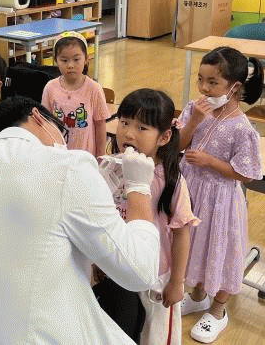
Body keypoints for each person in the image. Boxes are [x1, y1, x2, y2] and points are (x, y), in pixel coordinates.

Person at [0, 96, 161, 345]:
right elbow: (141, 273)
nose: (63, 143)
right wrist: (138, 187)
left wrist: (96, 191)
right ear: (38, 117)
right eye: (62, 132)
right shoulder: (69, 166)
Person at [97, 89, 199, 345]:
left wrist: (176, 282)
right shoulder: (108, 167)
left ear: (164, 137)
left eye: (142, 128)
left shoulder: (170, 182)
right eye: (124, 123)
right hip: (117, 268)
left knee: (154, 336)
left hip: (155, 279)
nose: (129, 133)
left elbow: (181, 234)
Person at [177, 46, 264, 343]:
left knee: (221, 249)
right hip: (191, 191)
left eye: (212, 82)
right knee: (193, 245)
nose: (204, 87)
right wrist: (193, 121)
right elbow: (178, 144)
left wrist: (211, 162)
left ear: (234, 86)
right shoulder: (195, 108)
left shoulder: (242, 127)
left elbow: (246, 172)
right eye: (200, 79)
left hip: (221, 200)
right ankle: (197, 296)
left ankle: (218, 310)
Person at [41, 31, 110, 157]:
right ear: (56, 61)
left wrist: (100, 157)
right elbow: (45, 123)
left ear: (86, 59)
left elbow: (100, 125)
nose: (70, 65)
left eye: (76, 59)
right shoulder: (50, 88)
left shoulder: (94, 89)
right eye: (64, 60)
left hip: (85, 158)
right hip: (58, 157)